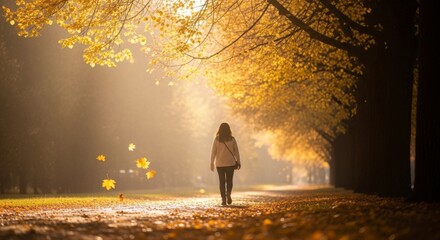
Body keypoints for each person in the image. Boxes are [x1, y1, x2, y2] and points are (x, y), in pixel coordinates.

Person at [210, 122, 241, 205]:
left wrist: (212, 162)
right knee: (229, 180)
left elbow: (213, 152)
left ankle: (223, 199)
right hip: (230, 163)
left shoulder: (217, 139)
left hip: (220, 164)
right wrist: (238, 161)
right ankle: (228, 194)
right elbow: (236, 152)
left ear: (219, 130)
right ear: (229, 129)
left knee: (222, 181)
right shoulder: (232, 139)